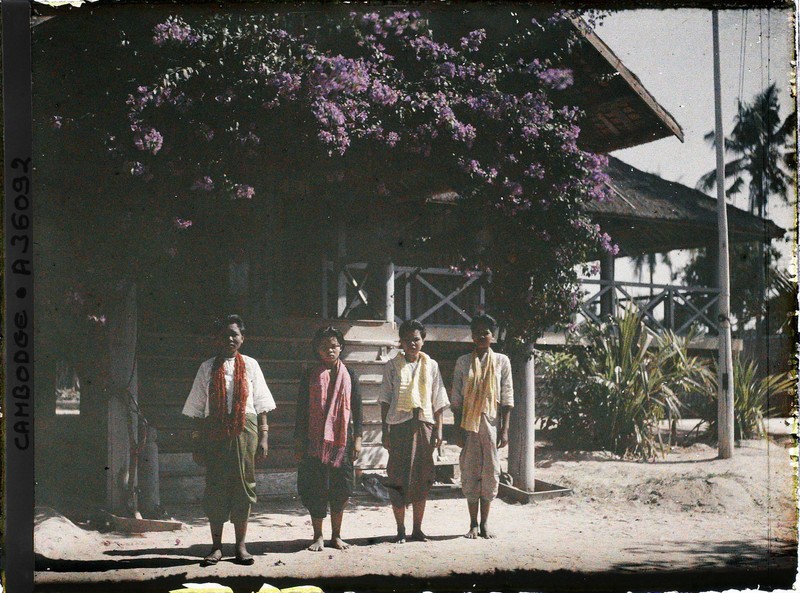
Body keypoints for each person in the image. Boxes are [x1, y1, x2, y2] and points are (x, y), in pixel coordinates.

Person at [182, 314, 275, 566]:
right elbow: (198, 409)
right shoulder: (207, 368)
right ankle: (216, 547)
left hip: (246, 430)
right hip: (214, 432)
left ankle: (241, 547)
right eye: (225, 335)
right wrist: (196, 440)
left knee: (244, 486)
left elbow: (262, 403)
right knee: (216, 486)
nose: (230, 339)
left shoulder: (252, 366)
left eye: (235, 334)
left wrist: (264, 436)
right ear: (217, 339)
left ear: (242, 338)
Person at [379, 319, 449, 542]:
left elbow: (437, 399)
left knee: (422, 476)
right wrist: (385, 430)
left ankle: (417, 529)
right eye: (407, 340)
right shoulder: (392, 365)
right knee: (398, 477)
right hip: (399, 426)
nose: (412, 343)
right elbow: (385, 400)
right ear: (401, 342)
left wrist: (438, 429)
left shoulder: (432, 365)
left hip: (424, 425)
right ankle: (400, 529)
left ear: (423, 341)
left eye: (416, 339)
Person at [294, 326, 363, 551]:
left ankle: (337, 535)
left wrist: (359, 438)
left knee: (341, 488)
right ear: (317, 349)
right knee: (315, 487)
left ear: (341, 347)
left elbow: (357, 409)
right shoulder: (309, 375)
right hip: (314, 442)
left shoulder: (350, 375)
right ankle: (318, 536)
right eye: (325, 347)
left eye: (334, 346)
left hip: (342, 441)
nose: (330, 350)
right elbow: (301, 411)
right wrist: (299, 441)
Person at [450, 314, 514, 539]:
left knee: (490, 472)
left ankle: (485, 523)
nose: (481, 336)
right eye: (477, 332)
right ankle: (472, 524)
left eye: (485, 332)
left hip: (491, 423)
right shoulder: (463, 362)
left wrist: (505, 429)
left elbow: (507, 398)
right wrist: (457, 429)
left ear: (492, 336)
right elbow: (456, 400)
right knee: (470, 471)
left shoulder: (501, 361)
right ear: (471, 335)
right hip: (468, 424)